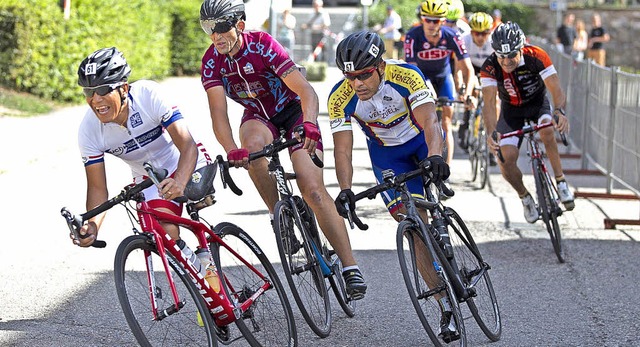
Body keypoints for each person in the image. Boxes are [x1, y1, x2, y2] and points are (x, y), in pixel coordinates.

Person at [198, 0, 367, 299]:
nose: (215, 35)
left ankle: (349, 266)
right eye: (208, 28)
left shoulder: (261, 44)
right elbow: (217, 114)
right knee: (250, 151)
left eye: (221, 27)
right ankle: (280, 215)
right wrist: (230, 148)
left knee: (312, 190)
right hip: (259, 118)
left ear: (239, 24)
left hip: (294, 112)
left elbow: (305, 90)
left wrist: (312, 123)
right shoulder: (212, 61)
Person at [329, 30, 457, 341]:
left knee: (432, 203)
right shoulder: (340, 98)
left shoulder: (406, 75)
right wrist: (345, 190)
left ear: (381, 66)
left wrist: (437, 156)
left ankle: (441, 219)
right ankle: (445, 309)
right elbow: (342, 149)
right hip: (387, 156)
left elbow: (430, 122)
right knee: (412, 227)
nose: (357, 83)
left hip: (420, 142)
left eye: (363, 75)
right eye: (350, 77)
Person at [73, 47, 212, 247]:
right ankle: (198, 267)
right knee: (160, 228)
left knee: (193, 192)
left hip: (185, 159)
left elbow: (187, 145)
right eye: (89, 92)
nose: (96, 99)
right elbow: (97, 188)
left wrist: (180, 181)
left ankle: (209, 248)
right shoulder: (89, 130)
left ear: (124, 89)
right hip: (150, 178)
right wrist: (93, 225)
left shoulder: (148, 95)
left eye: (103, 90)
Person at [480, 22, 575, 224]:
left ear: (521, 48)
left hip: (537, 104)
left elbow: (556, 88)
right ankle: (524, 197)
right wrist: (491, 133)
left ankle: (561, 182)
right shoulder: (489, 66)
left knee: (547, 130)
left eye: (511, 55)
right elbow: (488, 103)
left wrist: (559, 110)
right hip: (511, 112)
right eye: (501, 56)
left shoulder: (536, 55)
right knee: (504, 158)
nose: (506, 61)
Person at [404, 0, 475, 167]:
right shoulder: (413, 36)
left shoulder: (452, 35)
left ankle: (446, 171)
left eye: (435, 21)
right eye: (427, 19)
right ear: (422, 19)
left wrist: (468, 93)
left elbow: (468, 68)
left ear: (443, 21)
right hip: (421, 77)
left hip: (443, 78)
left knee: (446, 123)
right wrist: (424, 88)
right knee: (421, 121)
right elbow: (412, 70)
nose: (430, 24)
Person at [458, 11, 498, 156]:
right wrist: (462, 86)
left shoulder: (494, 41)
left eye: (484, 33)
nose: (480, 37)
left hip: (489, 68)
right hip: (472, 68)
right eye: (476, 33)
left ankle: (494, 135)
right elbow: (460, 67)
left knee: (496, 100)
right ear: (471, 32)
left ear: (490, 32)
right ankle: (467, 117)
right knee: (472, 88)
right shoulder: (464, 40)